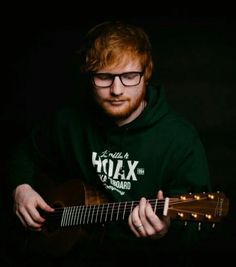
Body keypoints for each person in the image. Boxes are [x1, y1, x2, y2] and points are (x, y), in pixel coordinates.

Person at [8, 20, 212, 266]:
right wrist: (21, 189)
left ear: (146, 74)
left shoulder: (181, 139)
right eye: (104, 77)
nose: (116, 89)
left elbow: (197, 235)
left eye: (129, 76)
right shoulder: (69, 122)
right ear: (89, 76)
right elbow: (25, 151)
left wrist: (166, 230)